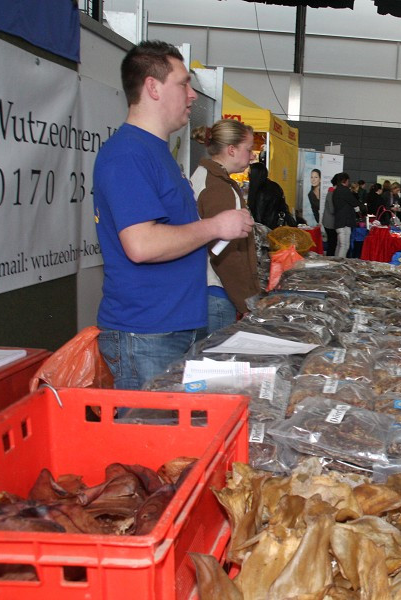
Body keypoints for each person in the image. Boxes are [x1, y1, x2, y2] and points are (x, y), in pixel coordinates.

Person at [93, 40, 254, 390]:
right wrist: (215, 226)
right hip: (148, 333)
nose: (192, 95)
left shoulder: (157, 153)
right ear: (153, 87)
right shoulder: (128, 154)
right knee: (149, 439)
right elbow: (141, 243)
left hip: (173, 326)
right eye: (183, 83)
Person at [190, 119, 260, 333]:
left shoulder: (208, 177)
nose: (252, 155)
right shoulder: (217, 187)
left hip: (209, 289)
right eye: (248, 149)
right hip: (218, 292)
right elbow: (224, 252)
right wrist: (246, 302)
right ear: (231, 150)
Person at [247, 162, 295, 230]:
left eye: (249, 173)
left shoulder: (261, 191)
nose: (248, 175)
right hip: (278, 227)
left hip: (267, 230)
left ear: (255, 175)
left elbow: (259, 218)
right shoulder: (275, 185)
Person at [332, 172, 362, 257]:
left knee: (339, 245)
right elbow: (354, 202)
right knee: (344, 246)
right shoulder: (344, 190)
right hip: (344, 222)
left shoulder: (336, 191)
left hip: (338, 221)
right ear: (345, 180)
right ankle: (339, 265)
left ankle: (335, 263)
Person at [321, 174, 338, 256]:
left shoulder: (331, 192)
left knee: (332, 242)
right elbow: (332, 209)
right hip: (329, 222)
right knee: (332, 243)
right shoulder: (332, 193)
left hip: (328, 221)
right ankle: (330, 260)